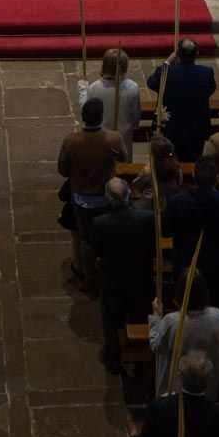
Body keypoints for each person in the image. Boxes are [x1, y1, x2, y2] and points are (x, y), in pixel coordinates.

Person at [56, 98, 128, 294]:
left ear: (83, 117)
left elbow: (62, 169)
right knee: (109, 235)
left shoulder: (71, 141)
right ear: (101, 117)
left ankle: (91, 283)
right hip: (107, 196)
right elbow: (124, 158)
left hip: (82, 199)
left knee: (86, 240)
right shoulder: (113, 138)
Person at [87, 178, 155, 374]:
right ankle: (142, 363)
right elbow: (151, 248)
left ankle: (113, 360)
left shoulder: (99, 223)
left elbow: (96, 251)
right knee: (141, 319)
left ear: (107, 198)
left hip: (112, 281)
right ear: (128, 195)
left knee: (112, 323)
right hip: (140, 279)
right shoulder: (147, 218)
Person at [147, 268, 219, 402]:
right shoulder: (217, 317)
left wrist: (156, 318)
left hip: (177, 391)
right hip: (208, 389)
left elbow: (156, 346)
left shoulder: (172, 321)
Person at [147, 38, 218, 162]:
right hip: (195, 129)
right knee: (193, 161)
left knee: (169, 163)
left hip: (171, 129)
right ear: (197, 54)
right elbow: (210, 89)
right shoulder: (206, 73)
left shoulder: (165, 72)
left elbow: (152, 83)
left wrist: (168, 62)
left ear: (177, 54)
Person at [82, 46, 140, 144]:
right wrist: (134, 126)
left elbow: (85, 110)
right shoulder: (133, 87)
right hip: (123, 136)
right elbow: (135, 116)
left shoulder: (94, 87)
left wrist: (83, 86)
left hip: (101, 136)